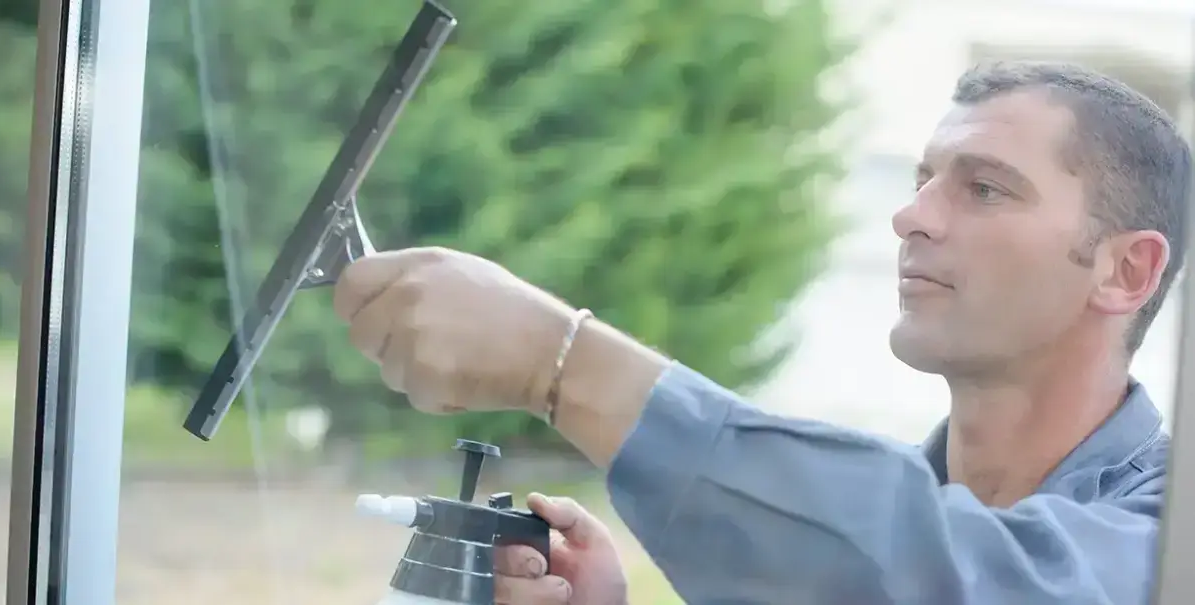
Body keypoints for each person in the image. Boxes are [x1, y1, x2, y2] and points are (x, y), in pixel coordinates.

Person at [332, 60, 1191, 604]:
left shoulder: (1164, 542)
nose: (911, 216)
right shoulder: (865, 521)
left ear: (1127, 271)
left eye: (986, 189)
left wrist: (562, 362)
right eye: (923, 179)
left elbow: (951, 577)